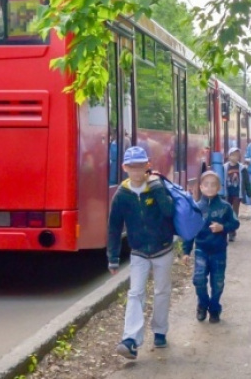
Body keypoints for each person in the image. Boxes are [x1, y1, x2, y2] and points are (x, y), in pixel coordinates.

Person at [106, 146, 175, 359]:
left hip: (163, 248)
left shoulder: (156, 185)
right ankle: (131, 340)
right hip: (138, 252)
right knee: (135, 292)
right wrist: (113, 257)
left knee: (162, 291)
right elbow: (114, 227)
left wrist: (156, 189)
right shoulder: (122, 195)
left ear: (148, 165)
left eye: (140, 167)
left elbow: (169, 211)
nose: (136, 172)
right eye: (132, 167)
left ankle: (160, 331)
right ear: (124, 167)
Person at [182, 171, 240, 323]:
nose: (209, 188)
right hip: (201, 249)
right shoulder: (196, 208)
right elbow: (190, 231)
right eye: (206, 184)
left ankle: (214, 308)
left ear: (219, 187)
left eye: (213, 185)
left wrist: (223, 227)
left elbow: (235, 223)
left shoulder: (225, 207)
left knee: (218, 282)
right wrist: (186, 251)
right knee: (198, 279)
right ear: (200, 187)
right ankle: (202, 303)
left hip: (219, 251)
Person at [221, 147, 251, 242]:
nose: (235, 157)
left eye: (237, 155)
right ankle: (227, 230)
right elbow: (220, 180)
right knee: (226, 212)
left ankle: (232, 232)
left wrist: (250, 194)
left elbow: (246, 182)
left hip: (237, 194)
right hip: (227, 194)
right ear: (228, 156)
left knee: (234, 212)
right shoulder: (224, 167)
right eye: (232, 155)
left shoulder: (242, 168)